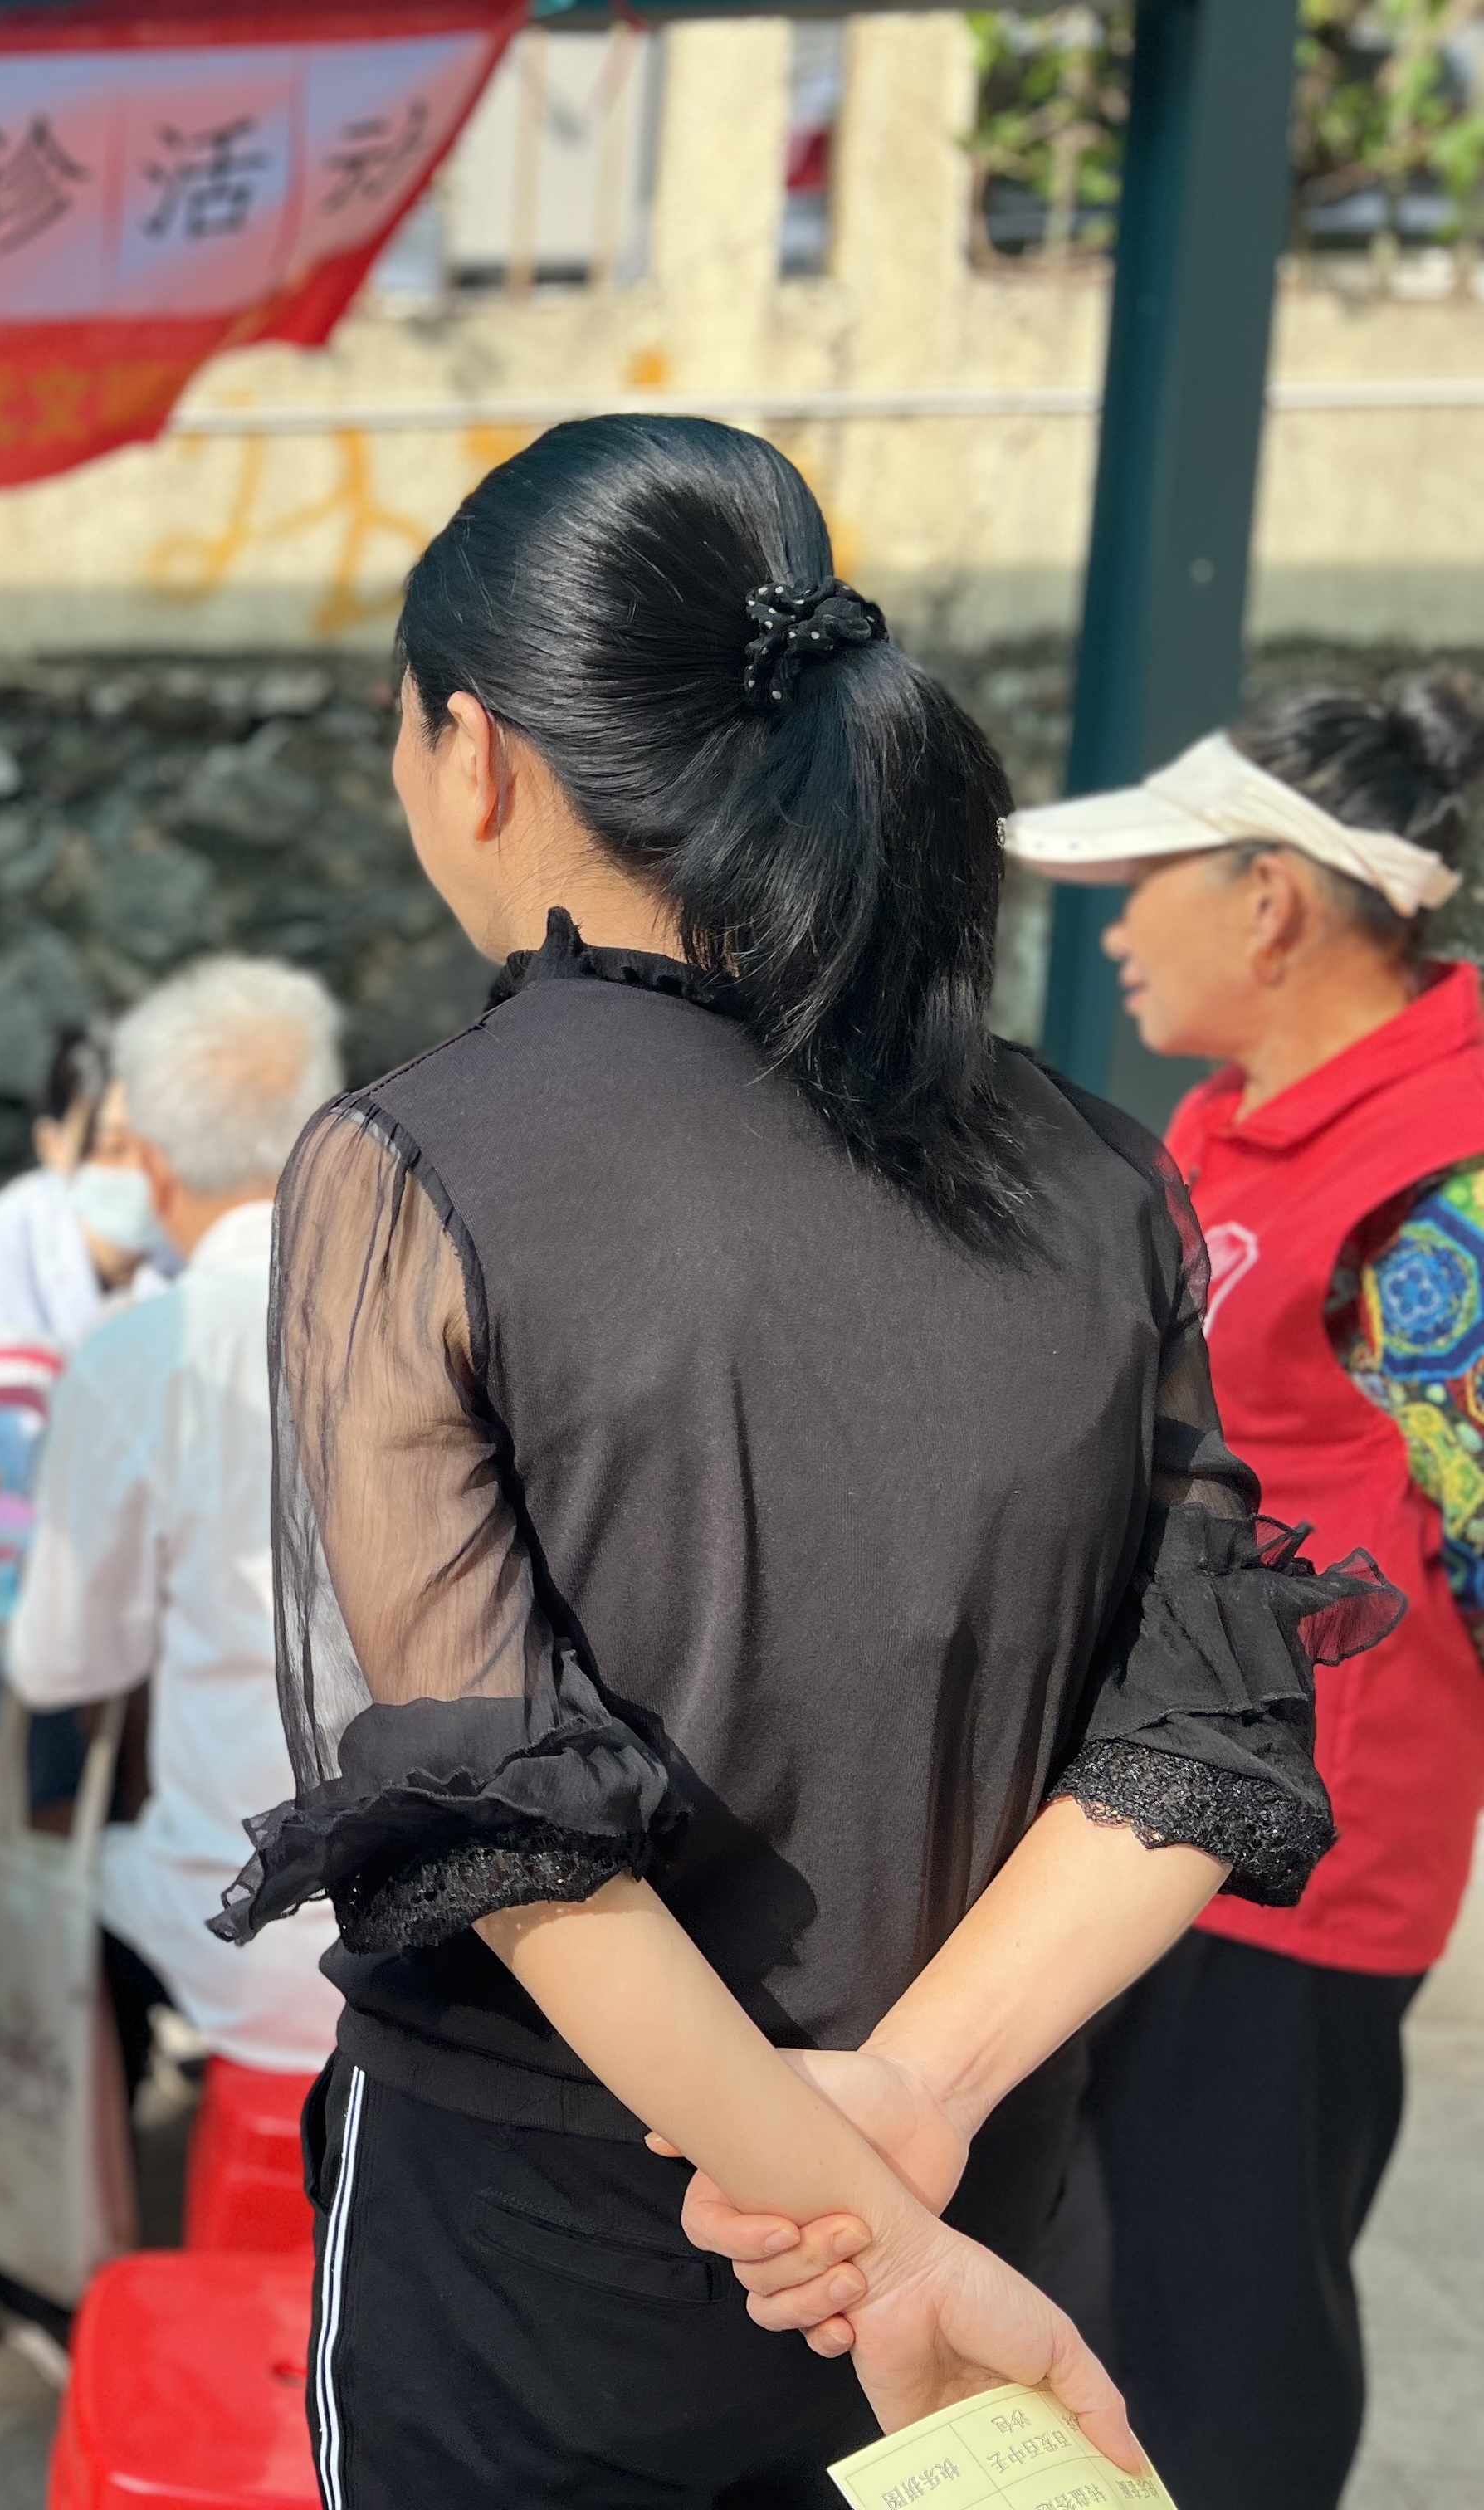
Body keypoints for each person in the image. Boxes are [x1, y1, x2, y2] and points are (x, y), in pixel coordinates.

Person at [211, 414, 1395, 2503]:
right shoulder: (1096, 1167)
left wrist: (855, 2211)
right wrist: (911, 2120)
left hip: (556, 2255)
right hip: (977, 2194)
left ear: (475, 753)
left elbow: (497, 1817)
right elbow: (1198, 1731)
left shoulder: (411, 1166)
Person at [998, 676, 1484, 2510]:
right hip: (1155, 1809)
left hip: (1297, 1867)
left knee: (1228, 2337)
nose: (1114, 929)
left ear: (1269, 900)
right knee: (1107, 2298)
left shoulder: (1440, 1168)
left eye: (1147, 882)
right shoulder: (1232, 1117)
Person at [7, 955, 350, 2121]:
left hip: (242, 1919)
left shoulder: (136, 1356)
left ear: (151, 1162)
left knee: (70, 1860)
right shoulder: (435, 1311)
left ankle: (77, 2210)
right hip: (452, 1918)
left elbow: (62, 1663)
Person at [0, 1024, 158, 1482]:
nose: (139, 1170)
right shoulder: (1, 1232)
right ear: (54, 1144)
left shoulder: (204, 1238)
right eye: (113, 1149)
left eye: (155, 1148)